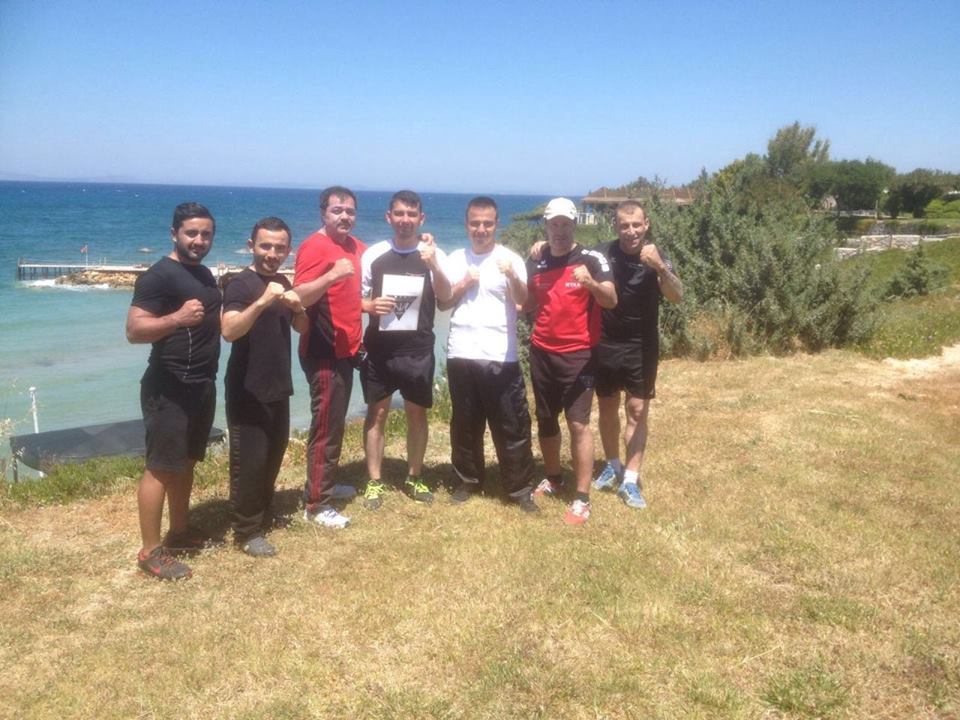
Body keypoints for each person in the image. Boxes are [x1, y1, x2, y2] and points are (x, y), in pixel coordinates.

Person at [126, 202, 222, 580]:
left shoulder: (204, 273)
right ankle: (150, 552)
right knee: (161, 468)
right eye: (191, 233)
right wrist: (177, 319)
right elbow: (134, 331)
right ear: (174, 234)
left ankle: (179, 532)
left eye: (206, 234)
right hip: (168, 386)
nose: (199, 240)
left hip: (202, 383)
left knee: (186, 462)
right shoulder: (158, 276)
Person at [438, 196, 538, 512]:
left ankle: (519, 489)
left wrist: (512, 276)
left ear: (497, 224)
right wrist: (464, 282)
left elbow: (524, 301)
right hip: (461, 352)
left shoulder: (510, 258)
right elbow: (443, 301)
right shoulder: (456, 259)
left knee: (511, 423)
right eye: (475, 223)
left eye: (487, 223)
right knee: (465, 423)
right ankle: (468, 480)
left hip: (500, 354)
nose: (481, 229)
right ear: (467, 225)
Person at [526, 197, 616, 525]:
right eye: (554, 224)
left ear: (575, 225)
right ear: (546, 226)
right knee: (546, 419)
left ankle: (582, 498)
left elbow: (611, 299)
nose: (560, 231)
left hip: (579, 355)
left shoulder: (591, 259)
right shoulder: (536, 260)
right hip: (541, 352)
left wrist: (590, 282)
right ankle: (553, 478)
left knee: (578, 423)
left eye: (566, 224)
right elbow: (526, 302)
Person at [360, 190, 452, 508]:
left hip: (418, 349)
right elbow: (356, 298)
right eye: (399, 213)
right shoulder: (373, 254)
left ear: (421, 218)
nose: (405, 220)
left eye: (411, 214)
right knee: (377, 414)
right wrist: (369, 306)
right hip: (379, 349)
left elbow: (446, 297)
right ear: (389, 217)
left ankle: (414, 476)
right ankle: (374, 481)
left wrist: (434, 263)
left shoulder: (432, 254)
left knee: (416, 414)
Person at [221, 217, 307, 557]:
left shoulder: (283, 281)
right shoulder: (239, 284)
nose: (272, 253)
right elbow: (229, 331)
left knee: (273, 454)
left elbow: (302, 327)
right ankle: (246, 530)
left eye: (279, 248)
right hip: (247, 387)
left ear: (288, 250)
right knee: (249, 460)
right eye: (265, 246)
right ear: (251, 246)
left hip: (279, 383)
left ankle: (263, 512)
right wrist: (261, 302)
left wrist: (298, 307)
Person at [591, 201, 682, 508]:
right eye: (624, 226)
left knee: (637, 411)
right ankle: (612, 464)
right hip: (605, 342)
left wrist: (660, 267)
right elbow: (570, 258)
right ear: (616, 227)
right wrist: (540, 248)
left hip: (641, 345)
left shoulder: (657, 256)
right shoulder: (603, 252)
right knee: (607, 406)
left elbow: (677, 296)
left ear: (647, 225)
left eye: (636, 225)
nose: (630, 231)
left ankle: (630, 480)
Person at [292, 187, 366, 529]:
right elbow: (298, 296)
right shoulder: (314, 247)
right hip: (322, 350)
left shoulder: (355, 246)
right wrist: (331, 275)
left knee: (334, 424)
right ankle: (316, 504)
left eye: (350, 211)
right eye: (337, 210)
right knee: (324, 428)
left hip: (347, 350)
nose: (344, 216)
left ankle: (326, 485)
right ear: (323, 212)